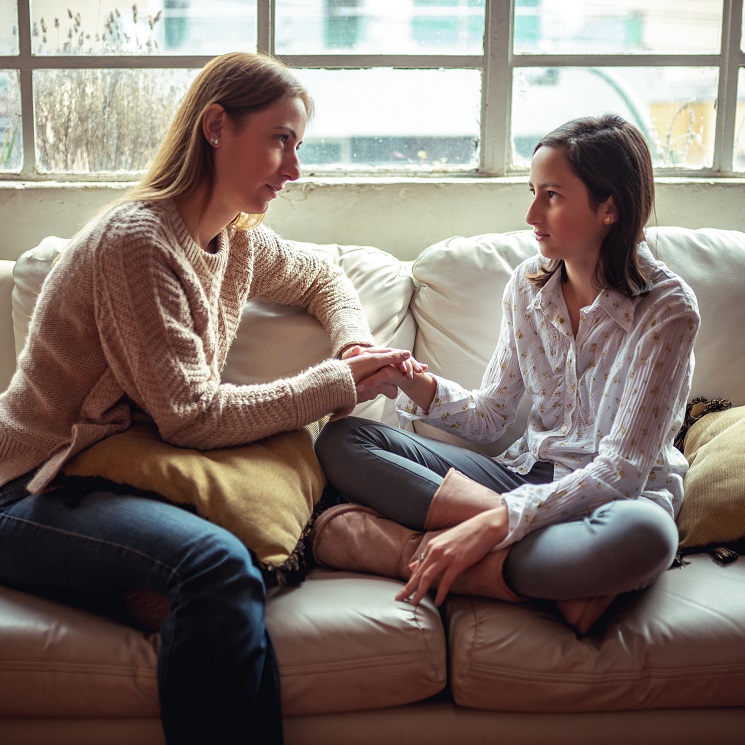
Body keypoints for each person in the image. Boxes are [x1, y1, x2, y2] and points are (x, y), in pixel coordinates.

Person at [0, 52, 414, 745]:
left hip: (111, 478)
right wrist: (337, 383)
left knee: (248, 555)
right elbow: (192, 416)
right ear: (216, 125)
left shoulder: (234, 241)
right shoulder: (138, 242)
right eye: (280, 140)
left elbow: (324, 277)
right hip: (31, 487)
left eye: (298, 145)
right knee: (217, 564)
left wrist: (349, 345)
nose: (294, 169)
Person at [312, 114, 700, 635]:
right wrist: (407, 380)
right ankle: (542, 576)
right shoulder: (527, 287)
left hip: (616, 502)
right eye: (533, 191)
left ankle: (412, 551)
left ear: (610, 207)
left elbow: (621, 472)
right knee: (344, 440)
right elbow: (492, 417)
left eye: (552, 196)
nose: (531, 213)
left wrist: (499, 520)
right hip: (523, 475)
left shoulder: (667, 310)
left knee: (646, 539)